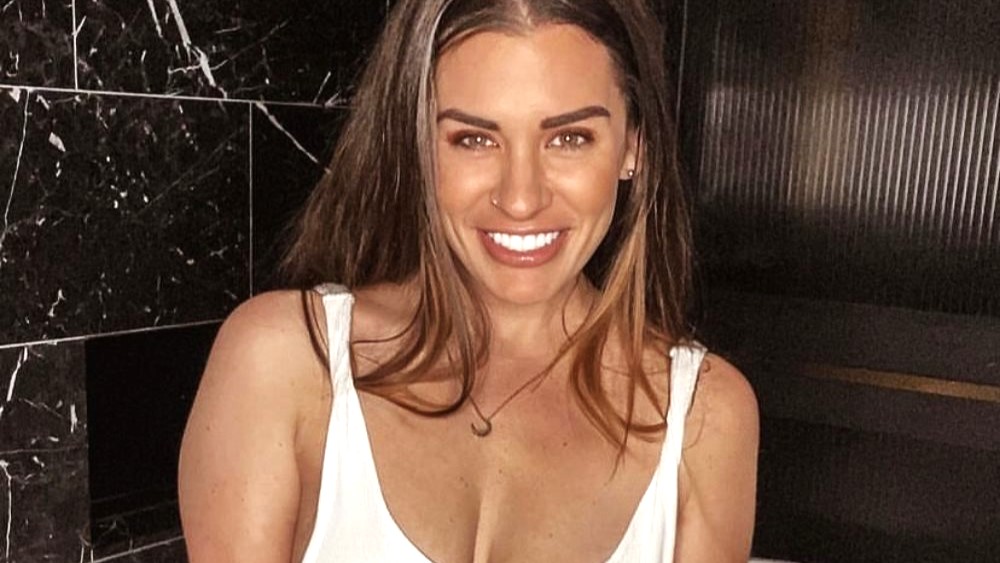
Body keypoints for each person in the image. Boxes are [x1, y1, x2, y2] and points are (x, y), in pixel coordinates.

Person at [178, 0, 759, 561]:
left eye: (569, 138)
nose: (521, 198)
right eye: (474, 139)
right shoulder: (285, 362)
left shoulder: (703, 421)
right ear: (418, 147)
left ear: (633, 146)